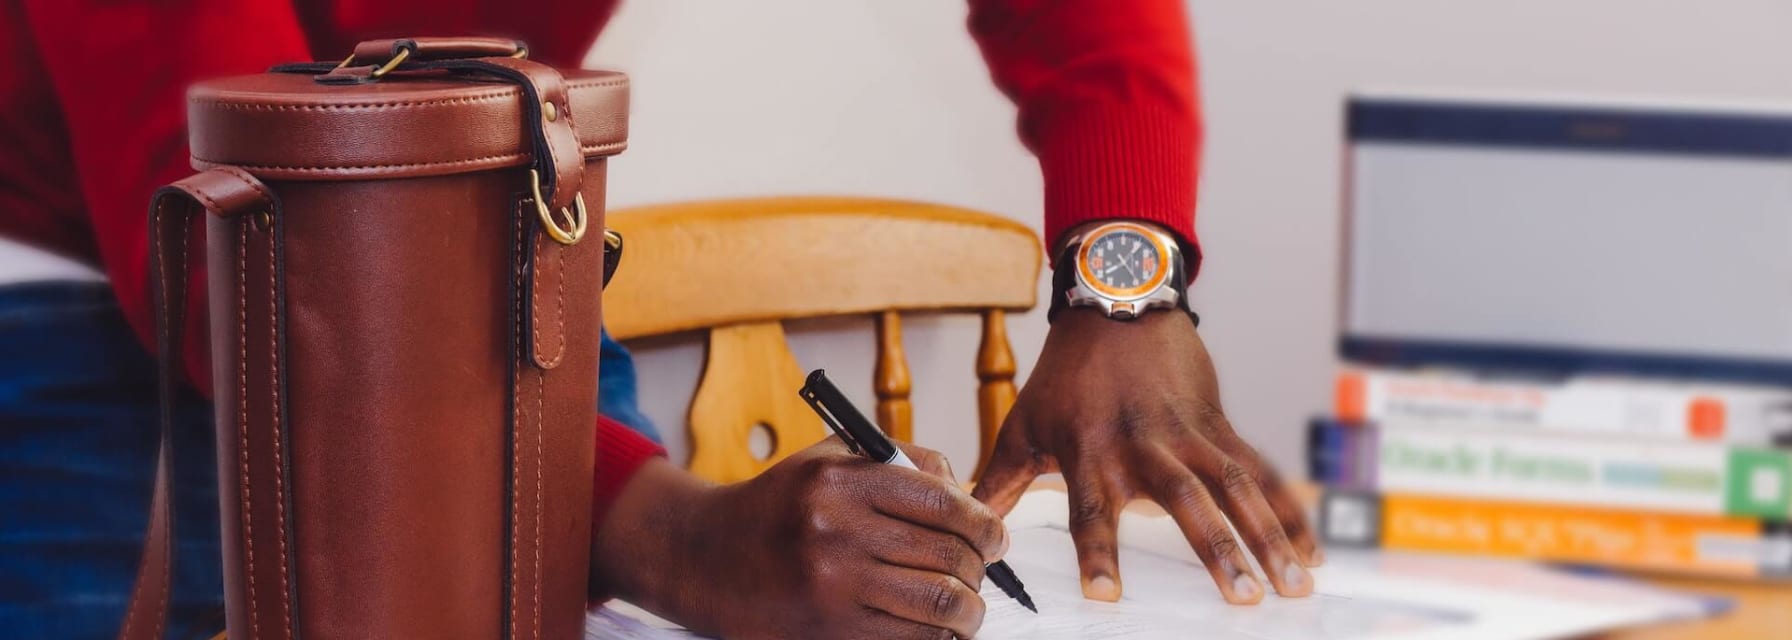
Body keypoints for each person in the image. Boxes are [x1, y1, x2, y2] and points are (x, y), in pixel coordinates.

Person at [0, 0, 1320, 637]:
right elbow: (216, 225)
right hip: (82, 285)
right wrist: (677, 538)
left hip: (473, 248)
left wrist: (1121, 277)